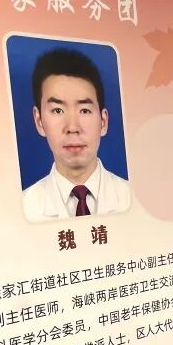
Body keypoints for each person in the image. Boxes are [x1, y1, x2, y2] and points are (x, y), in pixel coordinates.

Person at [22, 48, 131, 222]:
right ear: (39, 120)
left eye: (84, 110)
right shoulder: (24, 208)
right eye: (58, 110)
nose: (72, 127)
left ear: (103, 122)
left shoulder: (133, 198)